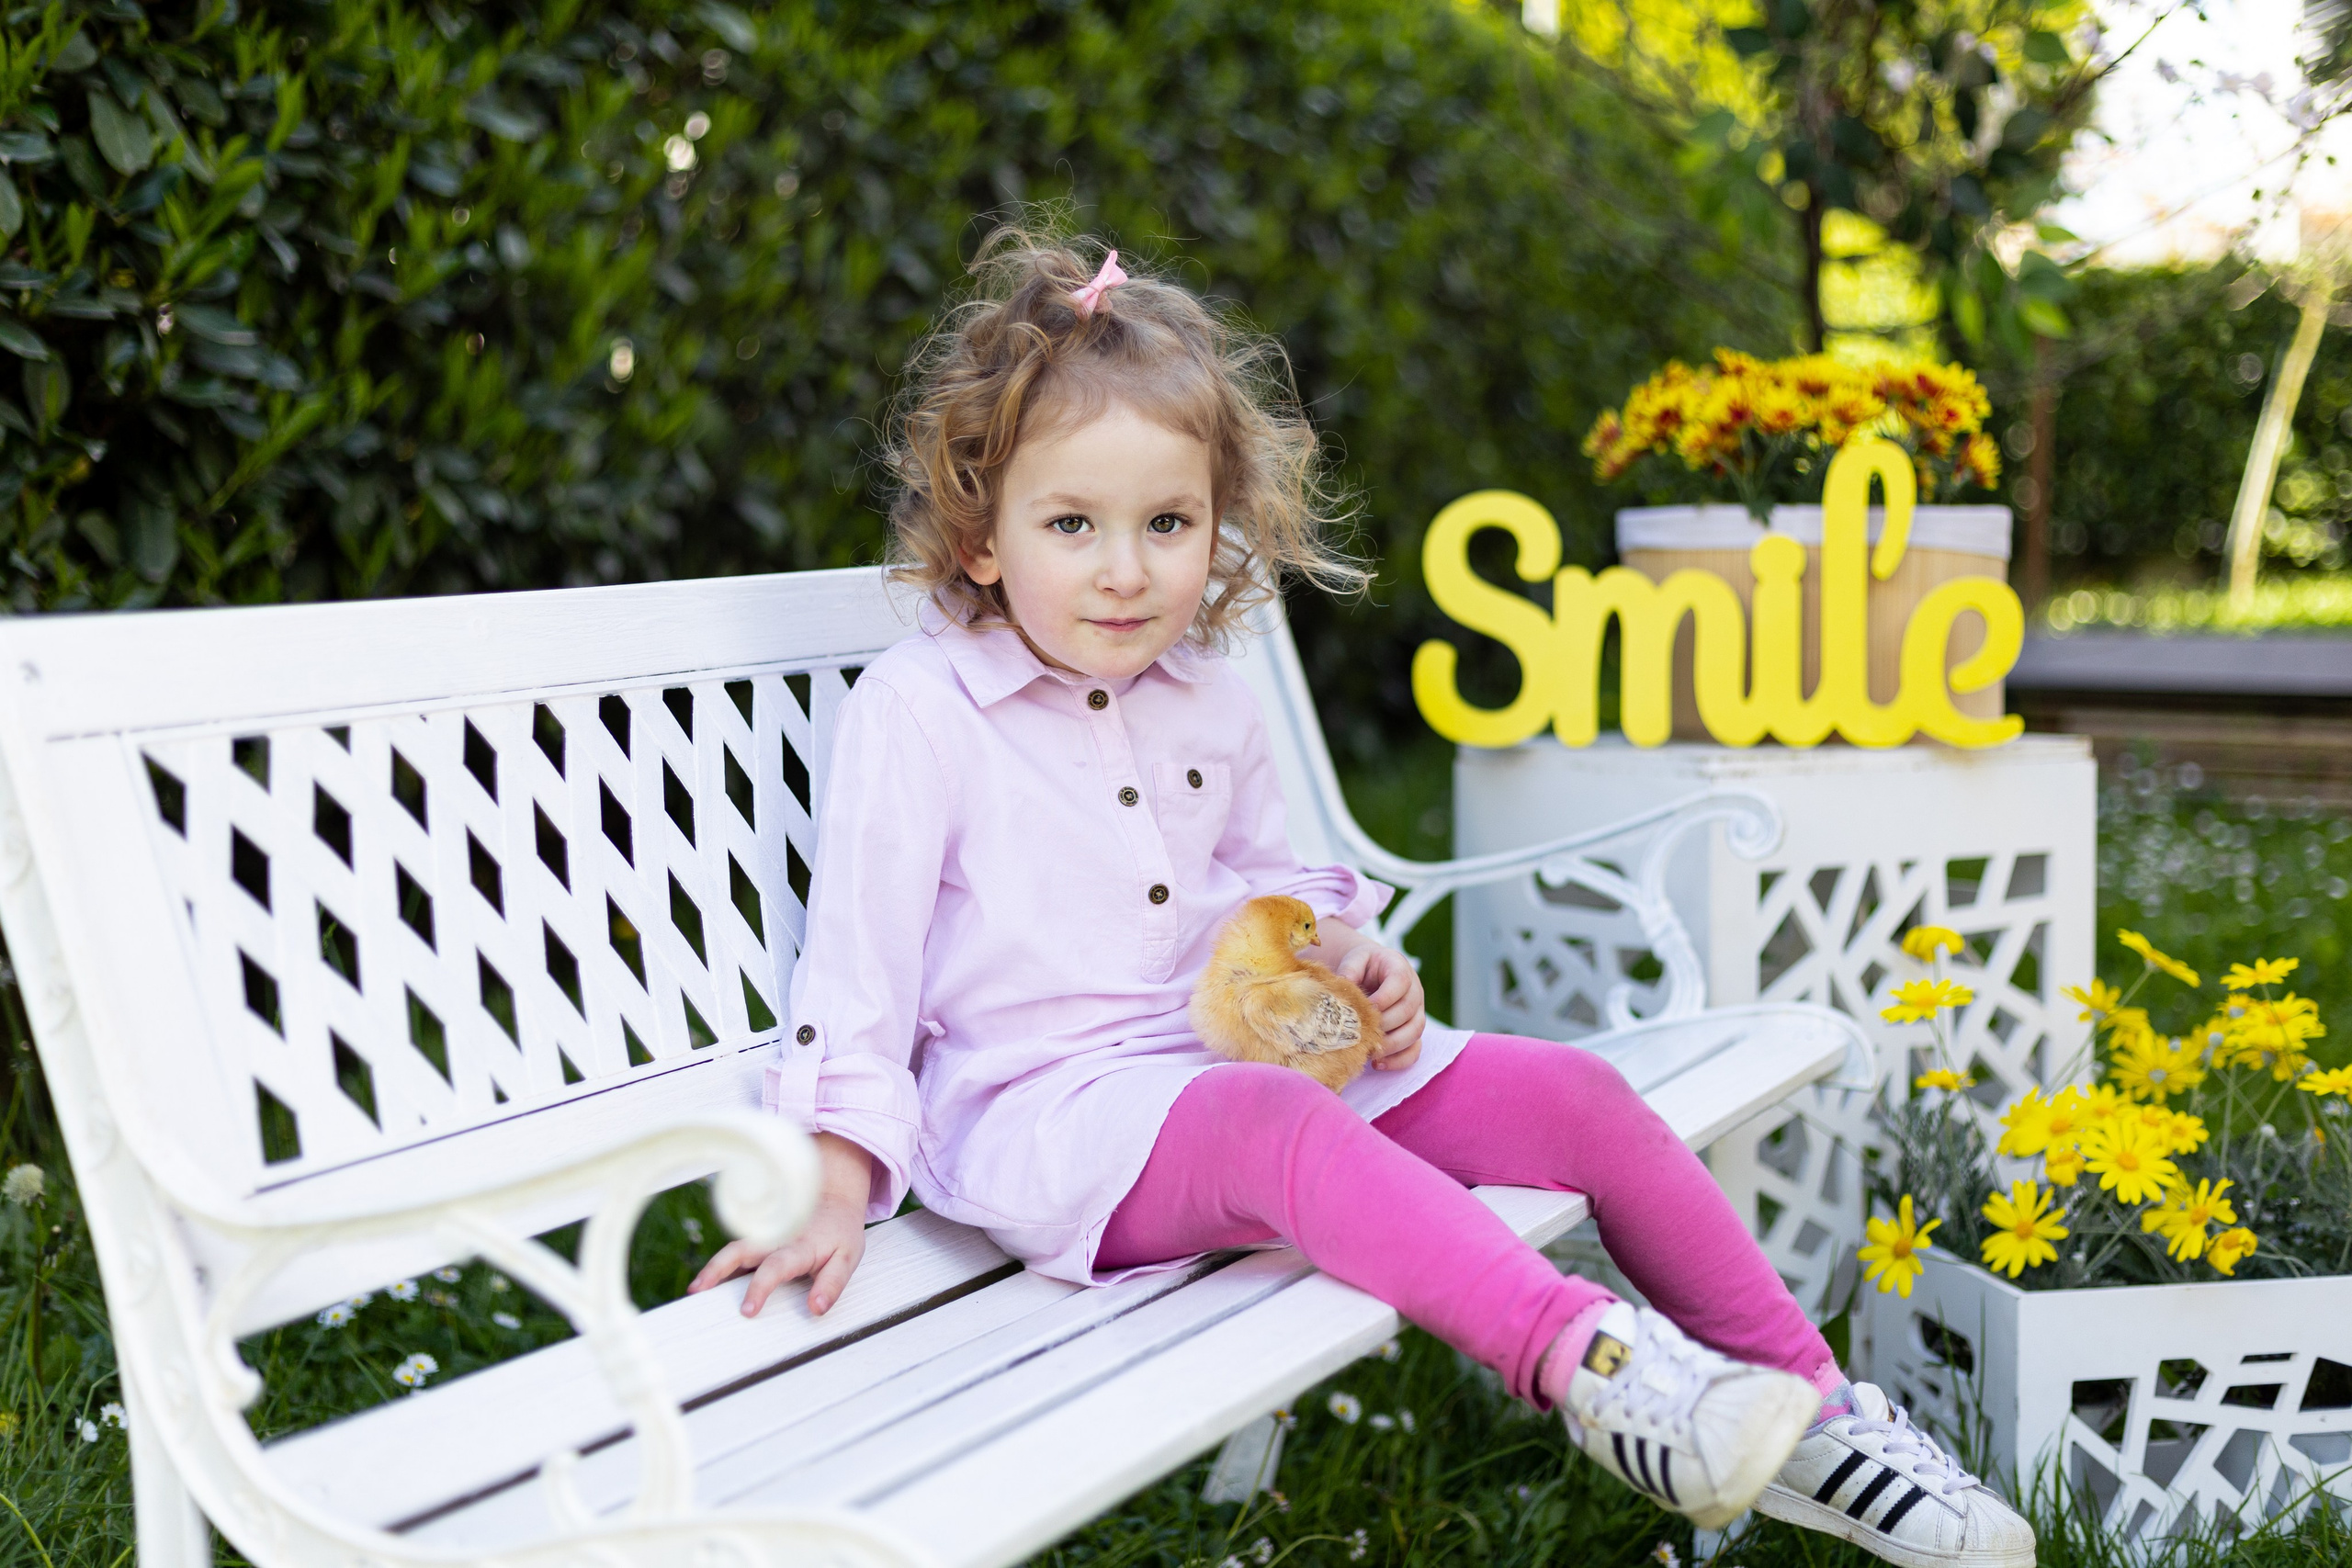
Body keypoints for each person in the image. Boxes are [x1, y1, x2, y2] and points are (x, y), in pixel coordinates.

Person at [689, 227, 2031, 1567]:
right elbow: (857, 974)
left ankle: (1818, 1418)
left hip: (1232, 1055)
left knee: (1578, 1097)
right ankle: (1601, 1376)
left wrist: (1346, 957)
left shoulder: (1208, 691)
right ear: (982, 539)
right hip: (1061, 1116)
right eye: (1071, 526)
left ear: (1218, 523)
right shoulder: (922, 710)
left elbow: (1275, 886)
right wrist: (835, 1179)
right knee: (1276, 1121)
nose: (1125, 570)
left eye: (1167, 523)